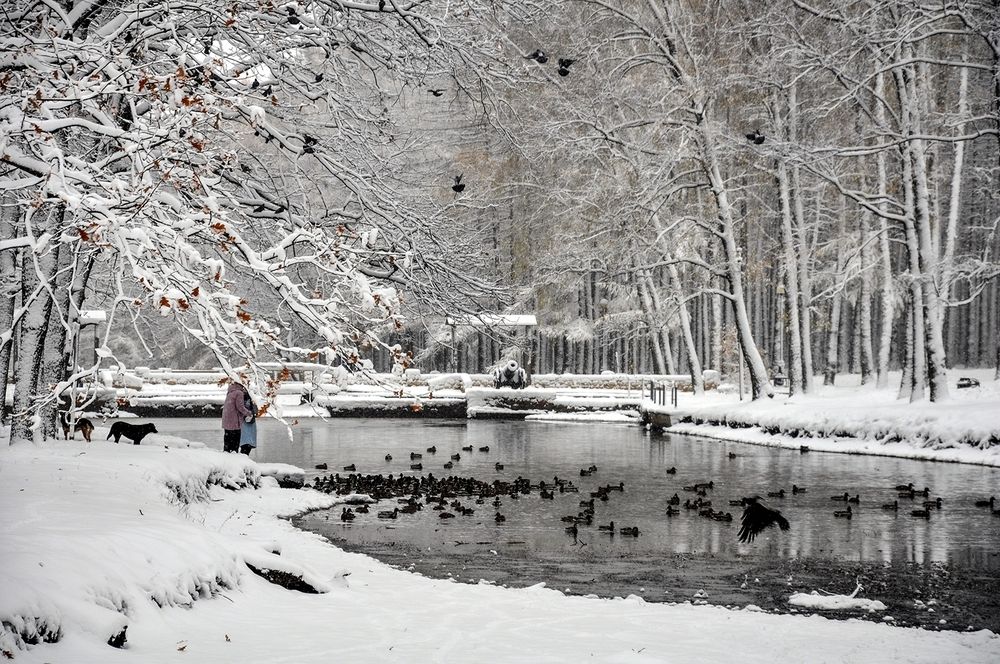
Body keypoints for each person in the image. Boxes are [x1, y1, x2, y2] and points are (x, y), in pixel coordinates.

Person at [222, 381, 251, 453]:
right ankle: (234, 456)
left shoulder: (230, 392)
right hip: (234, 420)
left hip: (226, 420)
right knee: (235, 441)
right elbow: (240, 407)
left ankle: (226, 454)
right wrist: (248, 413)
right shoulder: (239, 393)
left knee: (227, 439)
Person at [240, 390, 258, 456]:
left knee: (246, 444)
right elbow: (256, 411)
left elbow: (256, 411)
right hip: (247, 422)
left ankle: (244, 458)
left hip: (247, 422)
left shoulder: (250, 398)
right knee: (247, 444)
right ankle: (244, 458)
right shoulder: (248, 397)